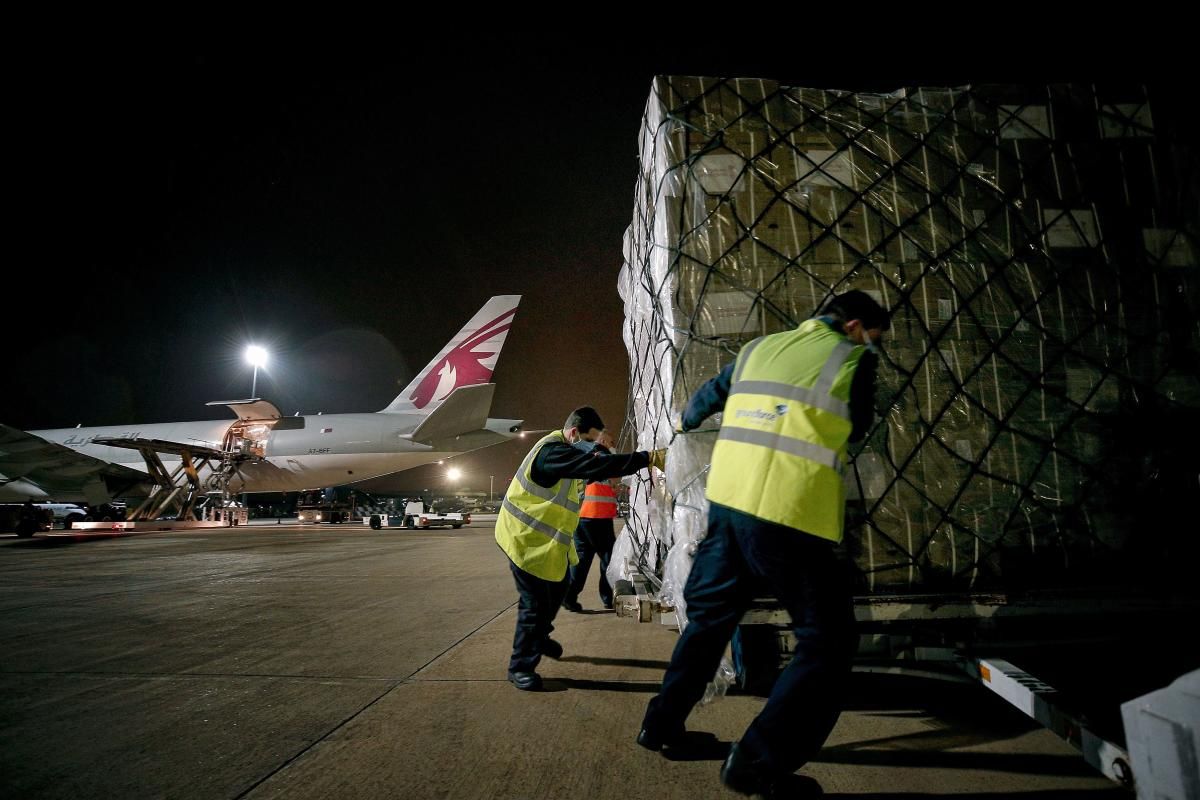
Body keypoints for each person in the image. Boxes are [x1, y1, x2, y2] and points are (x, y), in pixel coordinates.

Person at [637, 290, 889, 798]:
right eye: (875, 337)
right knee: (827, 642)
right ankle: (757, 763)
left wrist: (686, 425)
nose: (874, 346)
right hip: (790, 516)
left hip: (727, 510)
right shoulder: (852, 358)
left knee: (709, 623)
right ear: (856, 326)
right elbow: (858, 425)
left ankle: (661, 728)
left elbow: (699, 404)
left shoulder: (759, 349)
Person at [496, 406, 666, 691]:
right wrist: (647, 458)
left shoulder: (567, 454)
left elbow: (596, 468)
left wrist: (608, 457)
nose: (593, 446)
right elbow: (596, 466)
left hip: (547, 544)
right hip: (524, 540)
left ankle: (538, 637)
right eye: (591, 440)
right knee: (535, 606)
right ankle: (520, 666)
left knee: (560, 589)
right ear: (575, 434)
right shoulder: (553, 453)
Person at [561, 430, 620, 613]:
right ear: (602, 440)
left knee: (582, 559)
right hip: (598, 517)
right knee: (609, 559)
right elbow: (617, 472)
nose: (613, 443)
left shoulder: (584, 456)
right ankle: (608, 597)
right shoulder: (601, 455)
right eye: (611, 440)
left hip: (582, 517)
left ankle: (569, 597)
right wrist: (612, 450)